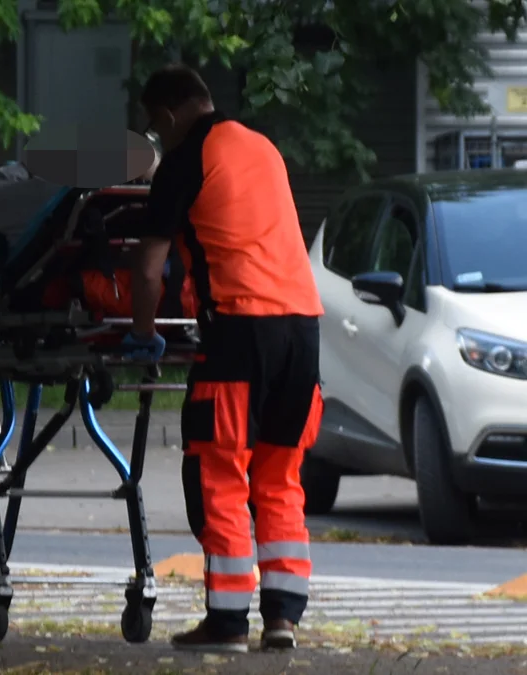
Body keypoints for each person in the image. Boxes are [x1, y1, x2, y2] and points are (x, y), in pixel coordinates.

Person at [120, 63, 325, 653]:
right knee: (279, 477)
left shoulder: (187, 158)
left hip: (240, 333)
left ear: (165, 115)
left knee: (220, 474)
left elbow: (147, 265)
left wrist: (141, 332)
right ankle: (282, 618)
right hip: (303, 332)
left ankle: (228, 622)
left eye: (155, 126)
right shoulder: (263, 148)